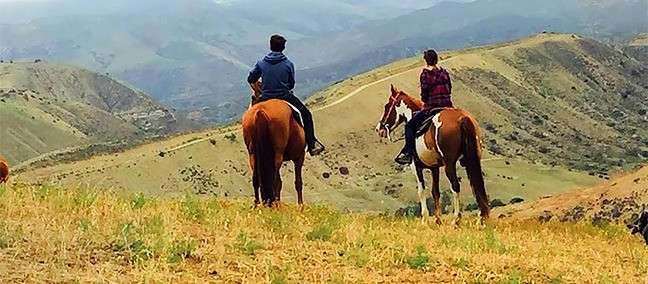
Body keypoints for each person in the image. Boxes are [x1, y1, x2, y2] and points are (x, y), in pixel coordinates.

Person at [247, 34, 325, 156]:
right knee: (305, 113)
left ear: (270, 46)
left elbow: (251, 78)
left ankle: (250, 145)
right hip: (284, 95)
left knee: (249, 116)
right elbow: (291, 83)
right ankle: (312, 144)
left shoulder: (261, 63)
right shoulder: (288, 64)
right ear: (283, 47)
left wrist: (259, 88)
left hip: (265, 96)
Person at [394, 49, 453, 165]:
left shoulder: (426, 74)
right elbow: (449, 89)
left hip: (432, 107)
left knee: (409, 127)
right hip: (448, 106)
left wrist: (426, 101)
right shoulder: (444, 73)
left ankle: (409, 153)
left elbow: (424, 94)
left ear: (426, 61)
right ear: (437, 59)